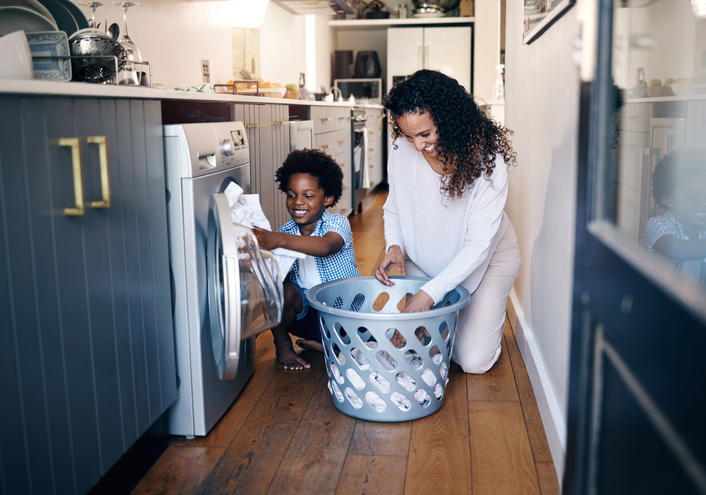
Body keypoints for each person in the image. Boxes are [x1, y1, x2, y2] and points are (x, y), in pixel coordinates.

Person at [374, 69, 521, 374]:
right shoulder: (402, 149)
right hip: (424, 261)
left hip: (487, 259)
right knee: (403, 345)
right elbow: (393, 208)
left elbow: (479, 244)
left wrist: (429, 295)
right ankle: (450, 318)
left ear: (449, 119)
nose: (417, 145)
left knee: (473, 362)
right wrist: (394, 246)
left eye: (425, 134)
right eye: (408, 134)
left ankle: (473, 318)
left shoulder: (487, 162)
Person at [253, 148, 360, 370]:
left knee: (365, 345)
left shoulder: (337, 224)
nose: (298, 202)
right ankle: (284, 347)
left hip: (345, 316)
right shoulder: (286, 231)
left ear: (328, 198)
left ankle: (330, 344)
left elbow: (326, 246)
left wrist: (279, 240)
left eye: (308, 196)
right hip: (306, 318)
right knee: (282, 291)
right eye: (291, 194)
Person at [642, 149, 706, 286]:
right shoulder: (657, 225)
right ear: (668, 200)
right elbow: (676, 249)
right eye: (693, 196)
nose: (703, 203)